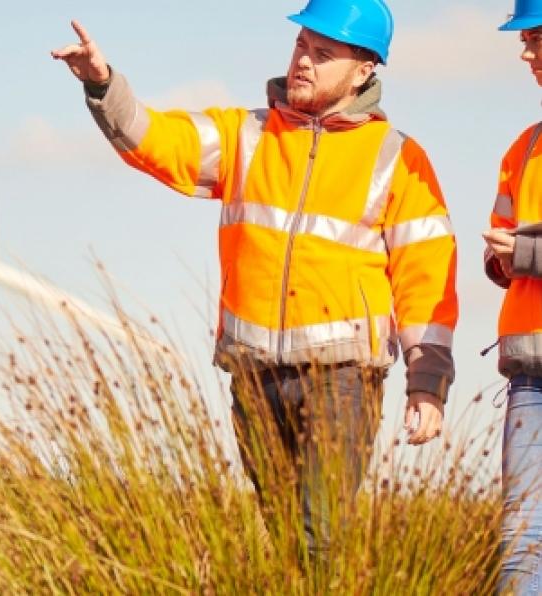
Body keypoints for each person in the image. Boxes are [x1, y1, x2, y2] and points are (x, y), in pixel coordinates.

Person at [51, 0, 458, 562]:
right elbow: (157, 140)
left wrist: (427, 382)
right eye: (301, 46)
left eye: (323, 53)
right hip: (254, 374)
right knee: (286, 540)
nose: (304, 62)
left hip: (341, 379)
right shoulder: (246, 135)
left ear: (364, 70)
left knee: (320, 539)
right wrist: (103, 85)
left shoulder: (397, 159)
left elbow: (426, 275)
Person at [482, 2, 542, 592]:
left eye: (538, 38)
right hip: (531, 373)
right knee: (521, 536)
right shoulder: (524, 147)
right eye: (524, 39)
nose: (526, 53)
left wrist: (525, 255)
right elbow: (501, 244)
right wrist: (501, 258)